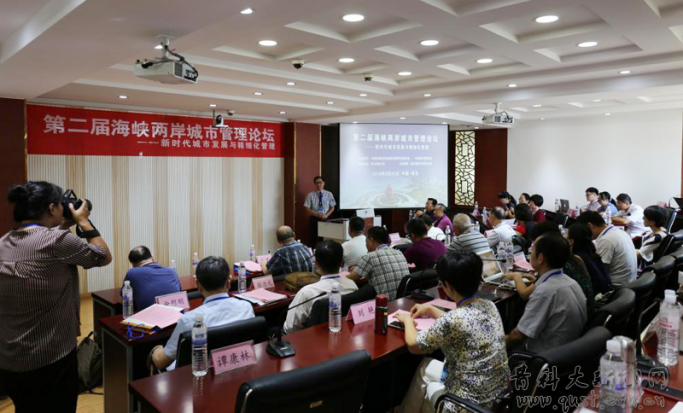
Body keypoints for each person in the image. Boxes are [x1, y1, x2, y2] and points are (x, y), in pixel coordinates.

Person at [0, 182, 112, 412]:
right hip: (51, 359)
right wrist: (83, 222)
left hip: (10, 359)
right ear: (52, 208)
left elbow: (43, 245)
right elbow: (102, 256)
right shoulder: (57, 242)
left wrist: (64, 226)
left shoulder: (3, 243)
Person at [397, 252, 510, 412]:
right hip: (498, 396)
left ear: (447, 285)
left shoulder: (453, 320)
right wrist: (431, 309)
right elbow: (463, 323)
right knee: (425, 366)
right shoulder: (489, 305)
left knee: (430, 387)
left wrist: (407, 321)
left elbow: (414, 345)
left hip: (466, 405)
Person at [151, 257, 254, 370]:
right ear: (229, 282)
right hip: (240, 370)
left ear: (198, 285)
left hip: (199, 376)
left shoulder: (188, 320)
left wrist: (156, 349)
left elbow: (161, 362)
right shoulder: (246, 307)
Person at [505, 233, 587, 353]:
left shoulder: (545, 292)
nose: (530, 254)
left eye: (532, 250)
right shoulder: (572, 283)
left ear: (540, 258)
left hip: (543, 356)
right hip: (569, 351)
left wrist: (498, 342)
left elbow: (518, 336)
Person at [506, 222, 595, 316]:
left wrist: (516, 276)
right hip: (586, 315)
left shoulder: (553, 266)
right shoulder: (574, 258)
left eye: (534, 246)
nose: (531, 251)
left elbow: (524, 294)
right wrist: (536, 280)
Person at [283, 241, 358, 333]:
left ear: (316, 263)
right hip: (344, 334)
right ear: (342, 263)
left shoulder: (307, 292)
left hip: (311, 339)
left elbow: (290, 327)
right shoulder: (352, 285)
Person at [347, 227, 410, 300]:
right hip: (402, 300)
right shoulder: (399, 252)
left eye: (366, 241)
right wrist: (360, 268)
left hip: (384, 302)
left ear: (371, 241)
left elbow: (351, 278)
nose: (366, 244)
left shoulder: (370, 256)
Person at [577, 211, 637, 287]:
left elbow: (598, 272)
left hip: (616, 287)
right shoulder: (619, 232)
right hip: (629, 283)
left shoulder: (606, 240)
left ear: (590, 226)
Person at [121, 246, 181, 312]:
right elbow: (179, 290)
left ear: (132, 263)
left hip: (150, 316)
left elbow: (124, 294)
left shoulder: (132, 272)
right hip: (177, 314)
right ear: (152, 257)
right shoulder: (172, 271)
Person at [567, 223, 612, 294]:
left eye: (566, 234)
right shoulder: (592, 254)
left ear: (571, 241)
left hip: (595, 297)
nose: (563, 236)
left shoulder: (577, 259)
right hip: (606, 295)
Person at [303, 176, 336, 247]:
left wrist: (326, 215)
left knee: (324, 238)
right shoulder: (310, 195)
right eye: (316, 183)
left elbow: (332, 207)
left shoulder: (329, 194)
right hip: (314, 219)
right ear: (314, 184)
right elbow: (307, 209)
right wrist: (316, 214)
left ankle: (323, 252)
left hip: (325, 218)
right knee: (312, 238)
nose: (318, 184)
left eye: (320, 182)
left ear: (324, 183)